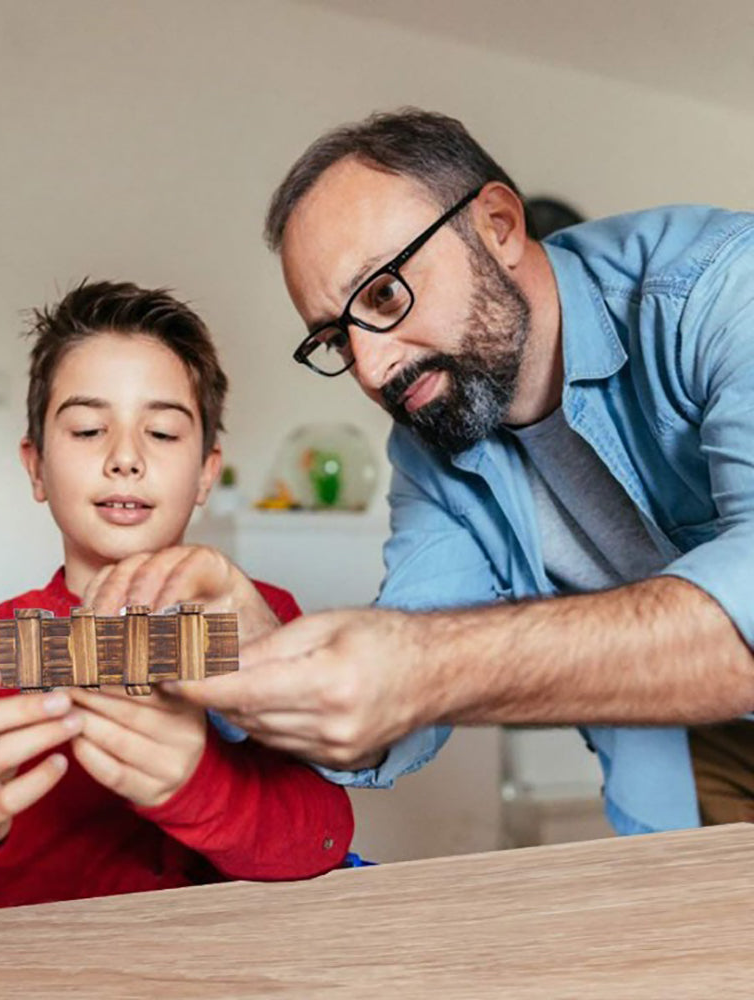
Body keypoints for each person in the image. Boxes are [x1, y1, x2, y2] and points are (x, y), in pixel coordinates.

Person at [167, 108, 754, 834]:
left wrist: (423, 666)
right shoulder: (430, 444)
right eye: (335, 339)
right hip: (692, 763)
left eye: (382, 294)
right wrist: (258, 659)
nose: (373, 368)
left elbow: (421, 660)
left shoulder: (721, 292)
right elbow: (398, 689)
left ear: (500, 225)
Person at [0, 280, 352, 929]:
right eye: (87, 429)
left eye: (162, 432)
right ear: (36, 467)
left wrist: (196, 782)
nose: (126, 458)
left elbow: (324, 838)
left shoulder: (258, 618)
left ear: (206, 473)